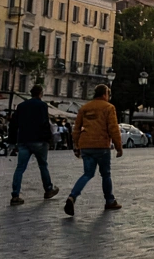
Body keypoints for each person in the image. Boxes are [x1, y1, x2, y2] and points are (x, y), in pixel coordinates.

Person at [63, 84, 122, 216]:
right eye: (108, 94)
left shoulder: (84, 108)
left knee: (87, 174)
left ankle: (72, 196)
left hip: (86, 145)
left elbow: (76, 129)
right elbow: (113, 128)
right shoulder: (109, 107)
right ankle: (109, 200)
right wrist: (118, 147)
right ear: (104, 94)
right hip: (102, 145)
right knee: (105, 174)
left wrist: (77, 146)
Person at [8, 85, 60, 205]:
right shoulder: (42, 105)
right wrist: (49, 139)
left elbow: (13, 124)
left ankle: (15, 195)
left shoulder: (21, 106)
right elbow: (44, 123)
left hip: (23, 140)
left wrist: (11, 141)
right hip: (39, 140)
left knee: (20, 168)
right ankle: (48, 189)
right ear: (40, 93)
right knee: (43, 165)